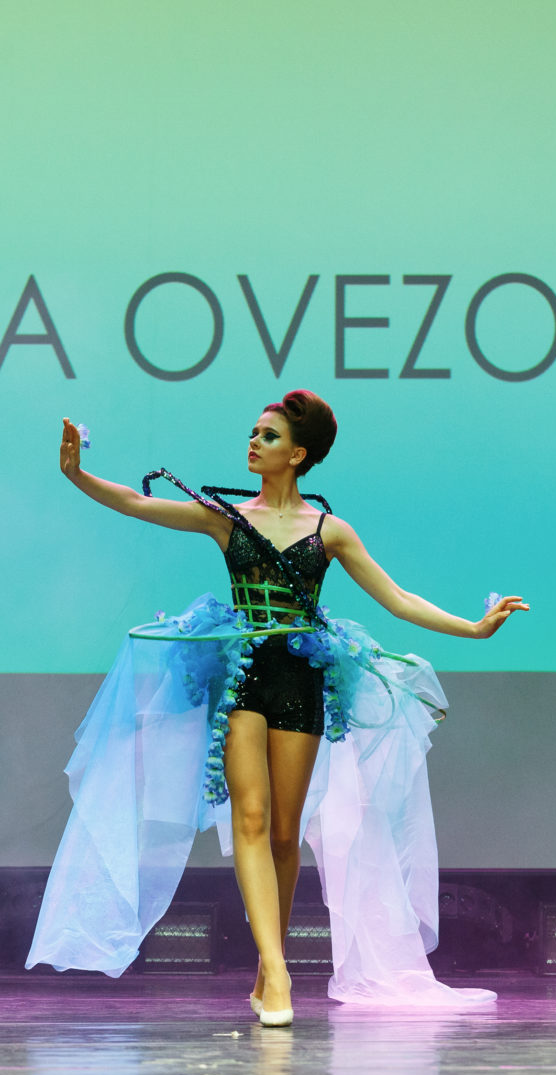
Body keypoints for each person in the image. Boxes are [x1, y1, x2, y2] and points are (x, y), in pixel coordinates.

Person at [27, 389, 527, 1025]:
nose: (253, 442)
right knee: (251, 818)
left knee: (286, 834)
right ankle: (280, 972)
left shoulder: (330, 532)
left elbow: (398, 599)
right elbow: (138, 502)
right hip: (243, 674)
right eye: (253, 432)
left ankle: (269, 967)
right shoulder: (227, 519)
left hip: (301, 678)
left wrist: (474, 629)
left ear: (298, 454)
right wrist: (77, 474)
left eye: (268, 436)